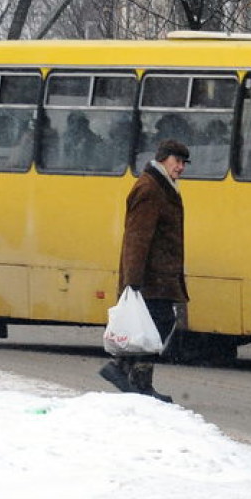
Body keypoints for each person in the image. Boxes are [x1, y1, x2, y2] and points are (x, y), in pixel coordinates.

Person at [99, 139, 190, 402]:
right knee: (159, 322)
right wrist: (133, 280)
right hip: (150, 276)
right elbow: (137, 237)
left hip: (159, 274)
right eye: (177, 161)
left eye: (184, 163)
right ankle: (127, 374)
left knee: (156, 324)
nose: (181, 167)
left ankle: (130, 375)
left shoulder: (162, 186)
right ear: (163, 159)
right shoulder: (150, 188)